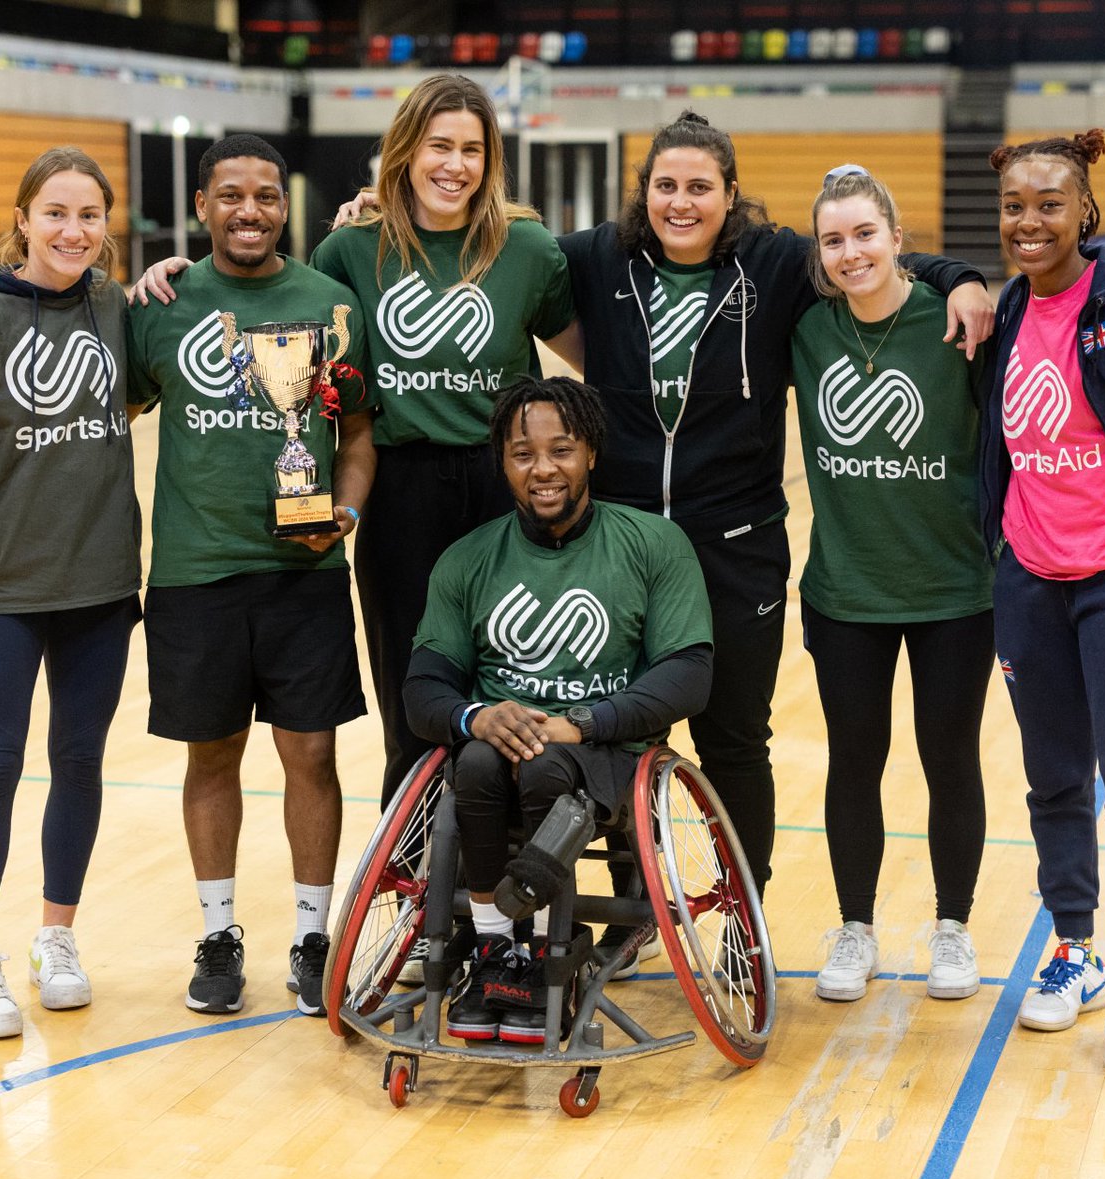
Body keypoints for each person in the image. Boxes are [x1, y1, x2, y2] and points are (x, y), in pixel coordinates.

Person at [555, 112, 993, 925]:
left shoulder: (779, 262)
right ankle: (632, 907)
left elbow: (874, 256)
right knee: (612, 732)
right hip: (620, 547)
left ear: (731, 196)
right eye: (665, 186)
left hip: (737, 545)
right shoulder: (595, 258)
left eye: (700, 187)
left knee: (734, 740)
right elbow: (504, 250)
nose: (681, 203)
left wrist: (961, 273)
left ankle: (737, 918)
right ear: (642, 192)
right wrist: (380, 210)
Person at [132, 74, 580, 819]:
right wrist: (175, 271)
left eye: (472, 149)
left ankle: (513, 887)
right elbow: (275, 295)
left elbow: (593, 360)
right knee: (416, 695)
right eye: (439, 145)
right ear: (405, 150)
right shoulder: (349, 250)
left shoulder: (528, 248)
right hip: (403, 488)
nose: (455, 164)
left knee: (520, 684)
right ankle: (414, 892)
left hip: (504, 489)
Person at [126, 133, 373, 1019]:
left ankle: (314, 939)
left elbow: (356, 438)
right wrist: (128, 288)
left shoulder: (332, 304)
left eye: (267, 196)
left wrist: (341, 515)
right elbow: (116, 402)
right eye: (231, 196)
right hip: (196, 571)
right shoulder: (162, 303)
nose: (250, 211)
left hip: (303, 571)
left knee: (312, 753)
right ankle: (220, 934)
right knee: (213, 754)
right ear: (202, 208)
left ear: (284, 207)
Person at [402, 376, 713, 1041]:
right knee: (480, 762)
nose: (543, 469)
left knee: (546, 770)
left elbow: (688, 676)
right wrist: (474, 716)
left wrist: (585, 722)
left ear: (591, 453)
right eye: (522, 454)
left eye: (561, 450)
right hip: (500, 755)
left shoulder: (654, 545)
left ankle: (548, 950)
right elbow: (423, 690)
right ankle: (495, 951)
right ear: (503, 463)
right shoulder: (468, 559)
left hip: (606, 752)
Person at [983, 129, 1105, 1074]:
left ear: (1083, 209)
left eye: (1049, 203)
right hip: (1030, 580)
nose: (1030, 221)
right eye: (1015, 205)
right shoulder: (1007, 310)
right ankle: (1074, 950)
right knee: (1054, 779)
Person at [790, 166, 994, 1003]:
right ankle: (856, 928)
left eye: (865, 234)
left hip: (955, 589)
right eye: (833, 240)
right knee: (854, 760)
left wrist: (965, 278)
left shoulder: (959, 324)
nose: (850, 253)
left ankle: (952, 926)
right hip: (847, 592)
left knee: (950, 761)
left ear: (898, 239)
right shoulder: (803, 331)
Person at [0, 147, 141, 1039]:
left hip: (101, 581)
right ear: (26, 218)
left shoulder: (113, 306)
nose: (74, 231)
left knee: (78, 762)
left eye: (89, 216)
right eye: (57, 214)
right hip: (3, 585)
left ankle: (56, 940)